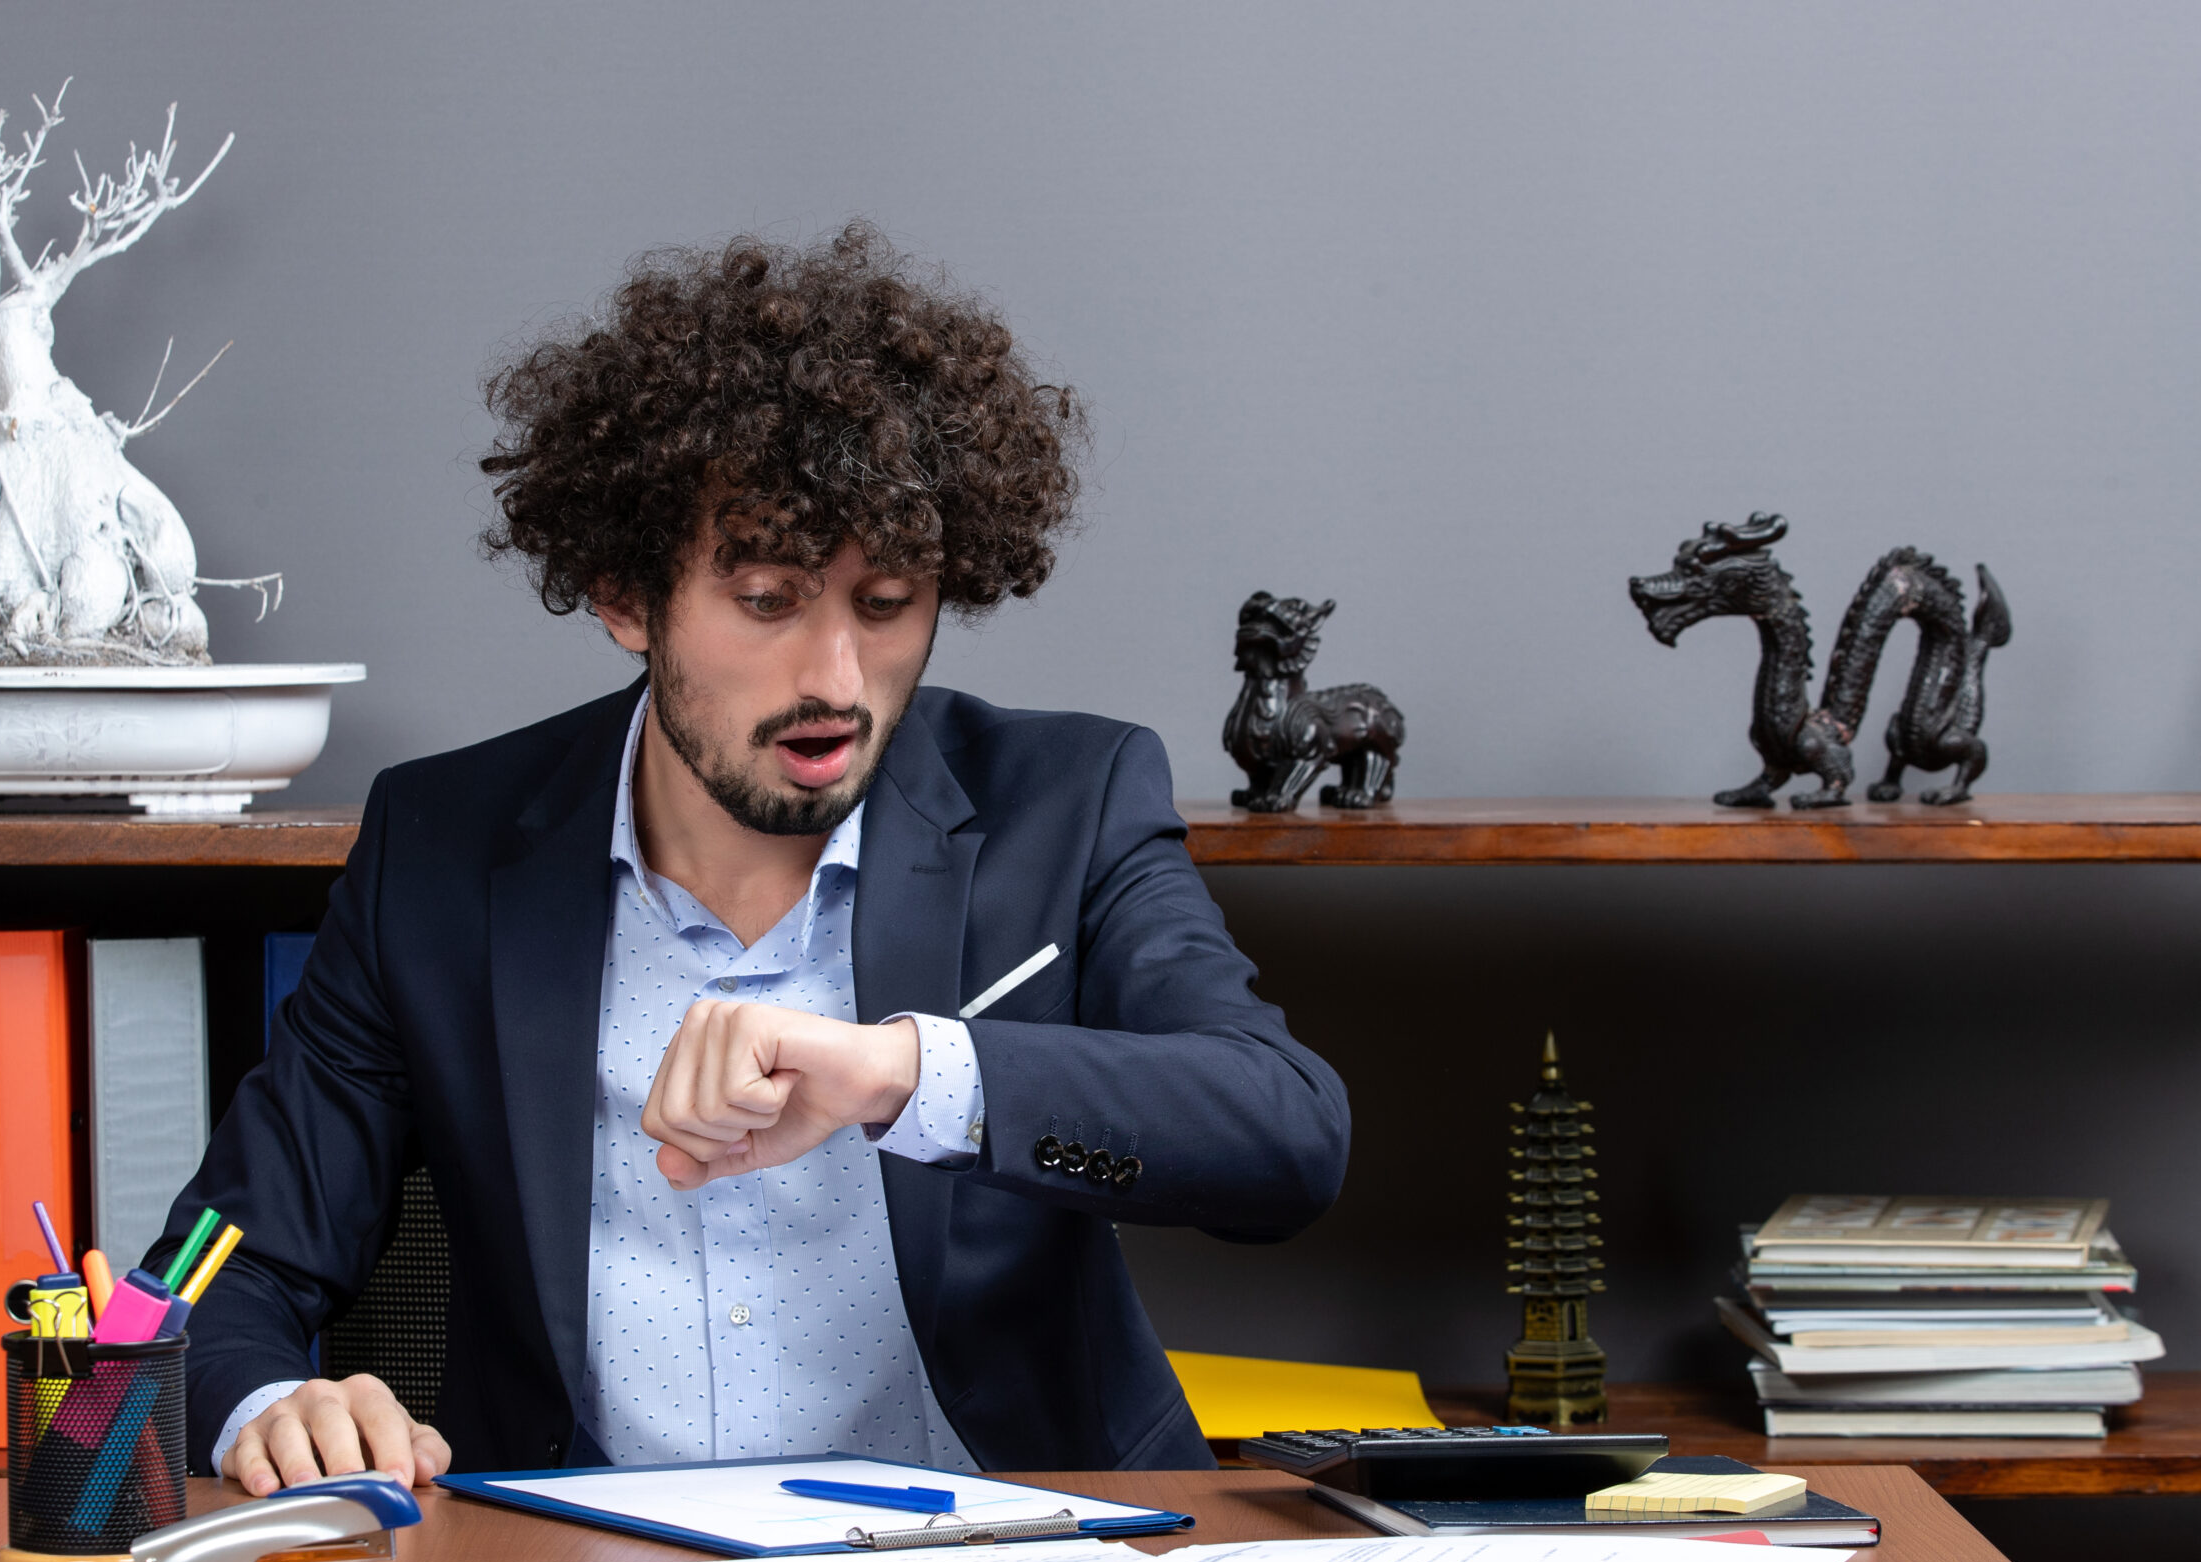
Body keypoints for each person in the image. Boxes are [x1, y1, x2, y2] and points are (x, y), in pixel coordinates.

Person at [154, 224, 1351, 1494]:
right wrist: (266, 1404)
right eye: (770, 600)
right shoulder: (441, 849)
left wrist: (905, 1074)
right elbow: (216, 1273)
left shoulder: (1067, 802)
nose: (835, 681)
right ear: (624, 596)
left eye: (886, 604)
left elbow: (1282, 1139)